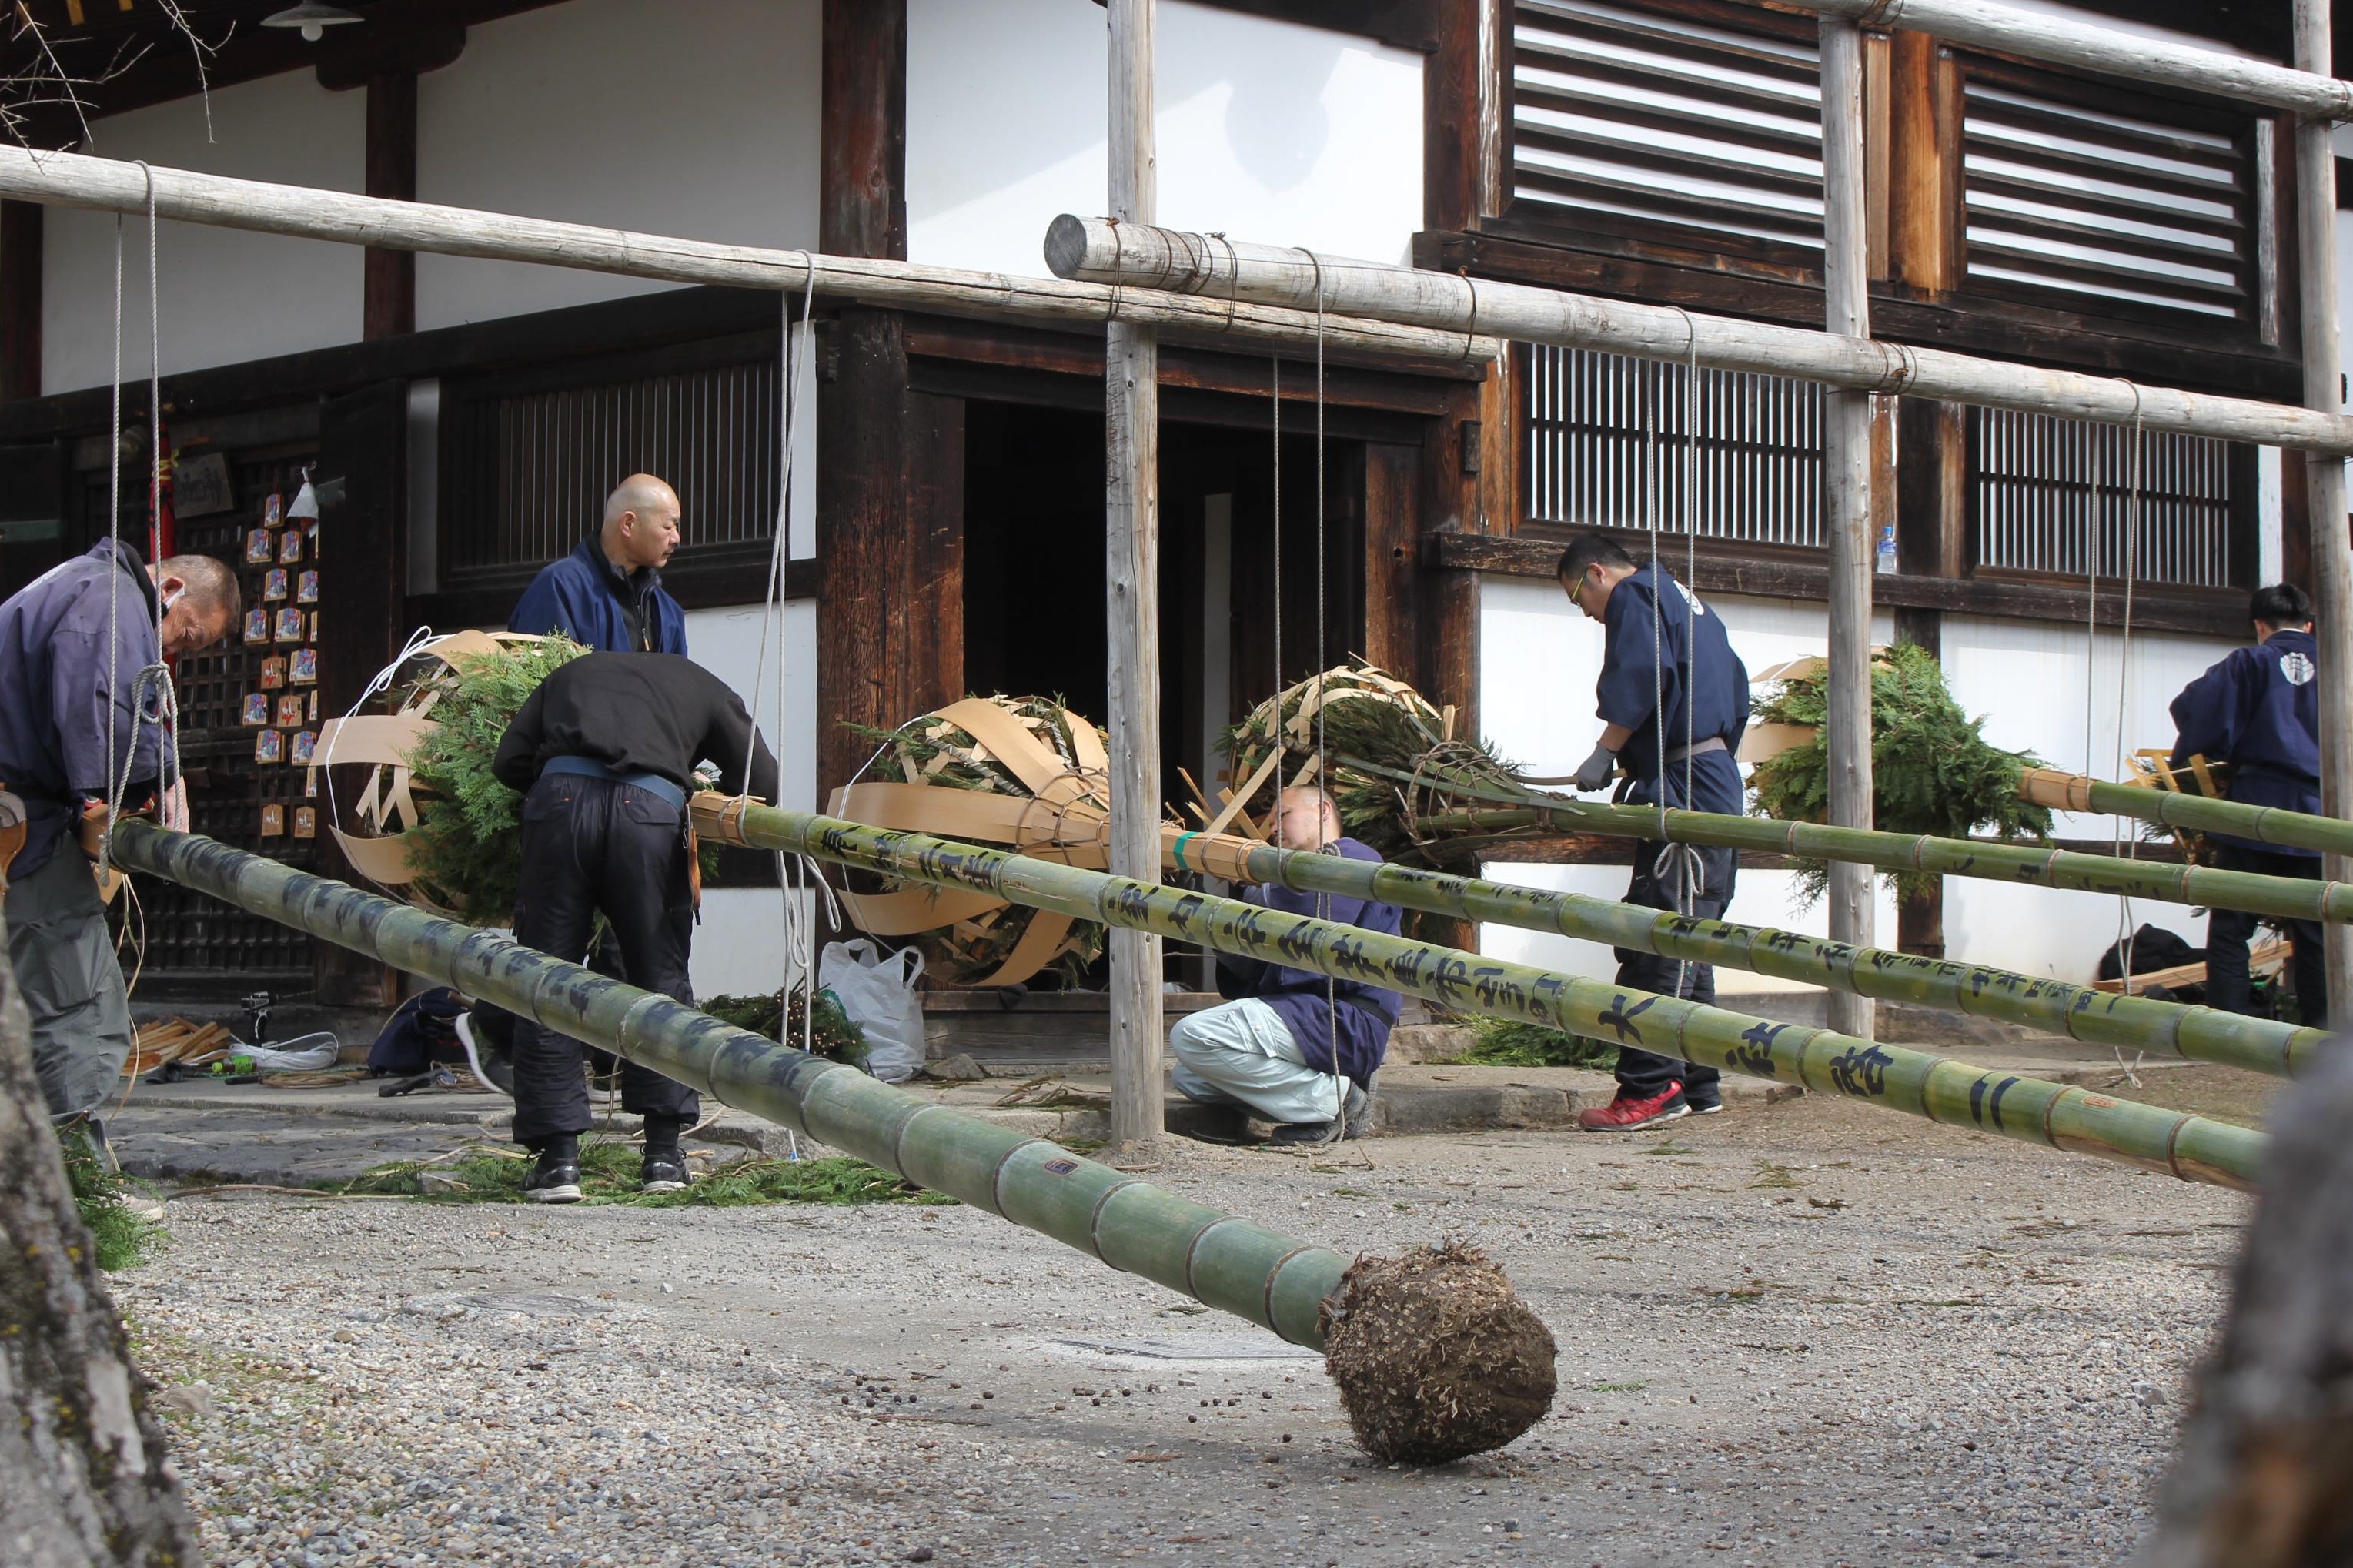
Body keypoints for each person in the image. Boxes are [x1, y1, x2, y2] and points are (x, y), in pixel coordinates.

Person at [491, 651, 779, 1201]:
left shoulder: (569, 673)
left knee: (544, 977)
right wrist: (687, 776)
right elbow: (761, 778)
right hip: (648, 813)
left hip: (559, 807)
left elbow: (508, 762)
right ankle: (664, 1158)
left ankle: (556, 1164)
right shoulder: (704, 682)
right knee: (660, 982)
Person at [0, 540, 239, 1123]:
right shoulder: (111, 602)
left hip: (26, 805)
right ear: (174, 591)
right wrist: (154, 784)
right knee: (77, 1006)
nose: (172, 650)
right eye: (186, 637)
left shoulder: (79, 582)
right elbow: (100, 711)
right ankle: (74, 1178)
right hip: (17, 819)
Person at [1556, 532, 1750, 1131]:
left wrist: (1605, 749)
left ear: (1595, 574)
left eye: (1578, 599)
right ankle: (1697, 1080)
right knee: (1690, 934)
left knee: (1655, 934)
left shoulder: (1637, 594)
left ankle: (1648, 1087)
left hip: (1685, 781)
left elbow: (1642, 672)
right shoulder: (1687, 599)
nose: (1587, 613)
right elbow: (1738, 694)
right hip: (1710, 775)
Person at [1169, 785, 1403, 1144]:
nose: (1274, 829)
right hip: (1306, 1015)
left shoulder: (1353, 859)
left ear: (1323, 810)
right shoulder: (1292, 878)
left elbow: (1304, 911)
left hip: (1344, 1019)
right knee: (1190, 1075)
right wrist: (1200, 910)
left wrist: (1251, 888)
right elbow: (1253, 968)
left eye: (1284, 815)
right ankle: (1328, 1105)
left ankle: (1335, 1100)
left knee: (1192, 1035)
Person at [2168, 583, 2327, 1023]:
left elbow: (2192, 706)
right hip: (2320, 814)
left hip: (2255, 808)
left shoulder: (2248, 662)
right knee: (2317, 929)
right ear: (2309, 625)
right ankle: (2324, 1032)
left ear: (2260, 626)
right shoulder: (2339, 664)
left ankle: (2229, 1025)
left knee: (2232, 925)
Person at [508, 473, 688, 656]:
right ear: (628, 524)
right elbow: (543, 678)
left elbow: (678, 682)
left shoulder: (668, 611)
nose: (676, 538)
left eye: (676, 527)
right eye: (668, 527)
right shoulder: (559, 588)